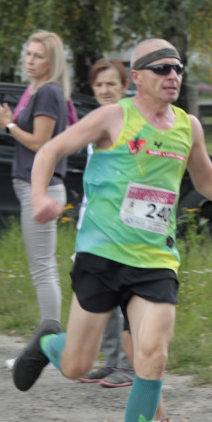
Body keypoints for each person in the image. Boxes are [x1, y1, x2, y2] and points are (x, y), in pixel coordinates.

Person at [13, 38, 212, 422]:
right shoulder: (113, 117)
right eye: (163, 68)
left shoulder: (188, 126)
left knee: (154, 354)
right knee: (76, 365)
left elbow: (204, 178)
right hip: (102, 255)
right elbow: (48, 151)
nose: (173, 76)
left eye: (179, 69)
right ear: (137, 77)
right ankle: (47, 342)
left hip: (155, 261)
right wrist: (44, 197)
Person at [0, 30, 70, 324]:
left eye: (38, 56)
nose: (30, 61)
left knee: (43, 269)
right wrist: (8, 119)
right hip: (32, 187)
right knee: (41, 268)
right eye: (28, 54)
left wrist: (5, 124)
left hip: (41, 188)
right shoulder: (34, 89)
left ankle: (49, 340)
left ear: (51, 61)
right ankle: (49, 338)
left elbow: (40, 143)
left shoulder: (48, 92)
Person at [77, 58, 136, 389]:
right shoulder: (94, 122)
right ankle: (112, 360)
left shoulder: (131, 121)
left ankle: (128, 365)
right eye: (99, 85)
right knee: (102, 295)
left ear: (124, 86)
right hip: (95, 222)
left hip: (124, 224)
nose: (104, 90)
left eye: (111, 84)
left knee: (126, 295)